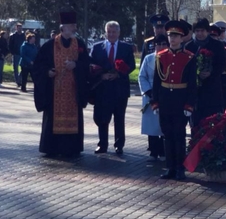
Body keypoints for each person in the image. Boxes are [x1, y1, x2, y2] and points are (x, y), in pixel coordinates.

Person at [32, 11, 90, 158]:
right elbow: (38, 66)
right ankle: (52, 147)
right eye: (72, 26)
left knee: (74, 119)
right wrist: (47, 72)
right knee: (52, 119)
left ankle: (72, 148)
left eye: (75, 26)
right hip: (54, 91)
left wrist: (75, 65)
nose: (74, 29)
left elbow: (87, 64)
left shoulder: (80, 44)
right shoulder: (49, 45)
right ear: (63, 27)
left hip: (73, 91)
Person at [153, 20, 197, 180]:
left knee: (179, 135)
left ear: (182, 38)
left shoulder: (189, 57)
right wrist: (155, 102)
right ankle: (170, 167)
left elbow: (192, 84)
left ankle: (180, 168)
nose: (172, 39)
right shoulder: (161, 56)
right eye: (171, 35)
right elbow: (156, 81)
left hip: (180, 100)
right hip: (165, 99)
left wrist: (189, 104)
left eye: (176, 36)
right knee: (167, 134)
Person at [90, 21, 136, 154]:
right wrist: (101, 75)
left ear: (118, 33)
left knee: (119, 118)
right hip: (102, 89)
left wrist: (118, 74)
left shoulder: (126, 47)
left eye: (114, 32)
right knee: (102, 118)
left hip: (120, 89)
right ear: (106, 32)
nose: (111, 34)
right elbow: (91, 65)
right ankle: (102, 144)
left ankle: (119, 145)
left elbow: (131, 65)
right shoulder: (97, 47)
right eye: (109, 32)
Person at [185, 18, 226, 125]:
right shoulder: (189, 46)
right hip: (195, 94)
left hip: (213, 92)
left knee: (214, 126)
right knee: (196, 126)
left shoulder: (217, 45)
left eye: (202, 31)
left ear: (208, 31)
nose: (200, 33)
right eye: (197, 31)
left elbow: (222, 65)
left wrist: (211, 73)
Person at [138, 34, 168, 161]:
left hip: (166, 93)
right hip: (150, 94)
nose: (161, 47)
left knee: (163, 124)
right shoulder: (148, 59)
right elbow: (141, 76)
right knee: (151, 123)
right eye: (158, 44)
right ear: (154, 46)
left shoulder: (170, 58)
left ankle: (163, 150)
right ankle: (153, 149)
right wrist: (148, 92)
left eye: (163, 44)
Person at [8, 23, 25, 87]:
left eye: (20, 27)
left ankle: (19, 78)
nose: (19, 28)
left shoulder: (24, 36)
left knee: (23, 67)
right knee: (15, 67)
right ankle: (17, 81)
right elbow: (10, 45)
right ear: (16, 28)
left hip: (22, 53)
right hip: (15, 53)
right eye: (18, 27)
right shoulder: (13, 36)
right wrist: (12, 52)